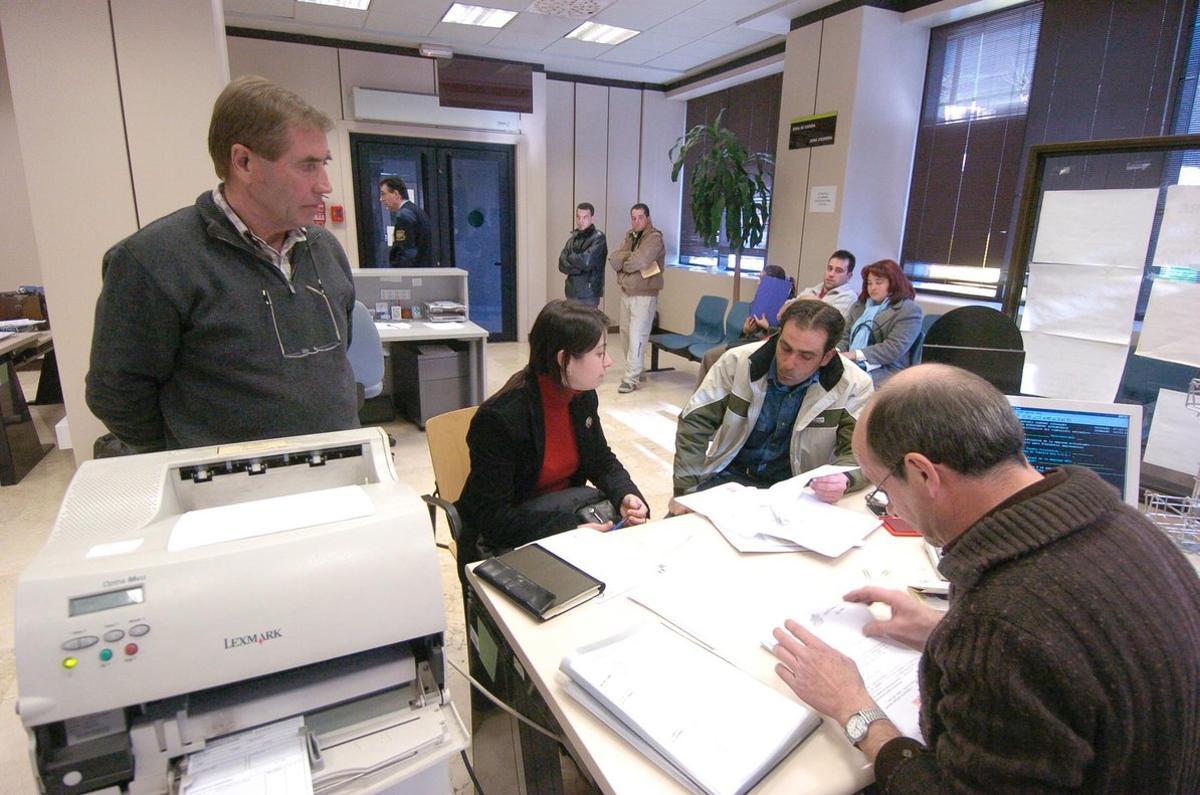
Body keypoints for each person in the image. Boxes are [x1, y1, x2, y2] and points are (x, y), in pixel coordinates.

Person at [771, 365, 1200, 793]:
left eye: (883, 487)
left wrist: (855, 709)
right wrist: (939, 630)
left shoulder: (1002, 626)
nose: (891, 506)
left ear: (922, 473)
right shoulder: (1127, 526)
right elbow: (1080, 655)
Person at [86, 75, 358, 452]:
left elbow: (337, 357)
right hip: (227, 492)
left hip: (335, 469)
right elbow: (117, 392)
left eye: (323, 164)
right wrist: (191, 460)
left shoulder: (324, 249)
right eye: (308, 166)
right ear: (244, 162)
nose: (325, 185)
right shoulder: (154, 259)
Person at [456, 300, 649, 565]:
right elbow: (494, 519)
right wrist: (568, 529)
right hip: (511, 536)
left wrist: (626, 494)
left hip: (560, 512)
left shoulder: (581, 396)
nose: (609, 361)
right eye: (599, 353)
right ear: (564, 359)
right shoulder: (500, 419)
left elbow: (600, 459)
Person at [673, 299, 873, 503]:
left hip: (799, 491)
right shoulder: (737, 362)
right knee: (676, 528)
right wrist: (685, 491)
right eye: (785, 348)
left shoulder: (854, 385)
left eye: (806, 356)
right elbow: (694, 423)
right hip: (728, 478)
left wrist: (845, 478)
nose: (789, 364)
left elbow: (862, 453)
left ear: (826, 357)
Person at [695, 263, 796, 386]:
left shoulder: (788, 307)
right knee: (710, 356)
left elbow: (784, 337)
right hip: (750, 342)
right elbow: (750, 333)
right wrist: (747, 330)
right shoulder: (760, 301)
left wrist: (767, 326)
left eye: (761, 279)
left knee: (713, 357)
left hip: (766, 349)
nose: (758, 283)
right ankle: (700, 398)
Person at [838, 258, 923, 387]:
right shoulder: (859, 306)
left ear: (893, 283)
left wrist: (855, 355)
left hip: (887, 369)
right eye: (869, 283)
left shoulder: (909, 310)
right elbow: (845, 336)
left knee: (852, 387)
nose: (873, 288)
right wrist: (837, 351)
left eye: (879, 283)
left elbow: (893, 348)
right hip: (852, 364)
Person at [607, 203, 664, 393]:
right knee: (625, 333)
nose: (636, 221)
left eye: (640, 217)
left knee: (637, 336)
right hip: (627, 292)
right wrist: (628, 259)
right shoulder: (630, 235)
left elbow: (639, 261)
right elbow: (614, 260)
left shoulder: (654, 238)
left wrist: (628, 261)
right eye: (633, 217)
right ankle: (636, 370)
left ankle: (631, 378)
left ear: (647, 218)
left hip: (644, 296)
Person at [558, 202, 607, 307]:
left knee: (586, 323)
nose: (581, 221)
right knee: (570, 324)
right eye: (578, 217)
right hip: (571, 292)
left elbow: (586, 262)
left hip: (589, 294)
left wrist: (570, 257)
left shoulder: (598, 238)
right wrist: (579, 266)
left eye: (585, 217)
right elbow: (561, 265)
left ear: (592, 219)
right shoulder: (572, 239)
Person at [379, 176, 433, 267]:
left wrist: (399, 274)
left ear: (396, 194)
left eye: (383, 194)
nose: (381, 199)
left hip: (411, 275)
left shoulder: (404, 215)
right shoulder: (416, 211)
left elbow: (406, 253)